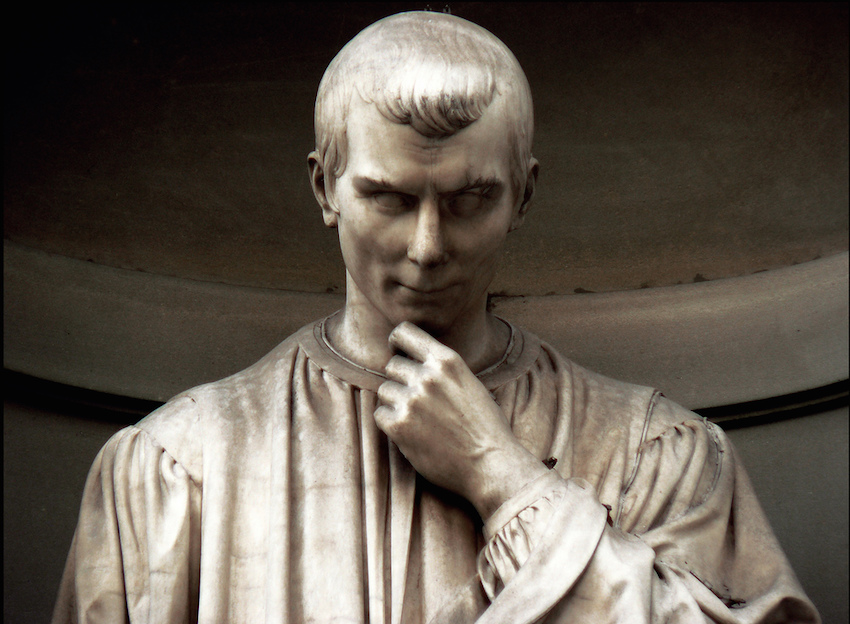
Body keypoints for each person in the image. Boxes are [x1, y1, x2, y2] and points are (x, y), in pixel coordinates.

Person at [52, 11, 820, 624]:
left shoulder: (656, 456)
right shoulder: (181, 465)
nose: (427, 247)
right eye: (387, 198)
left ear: (523, 195)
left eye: (468, 200)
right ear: (325, 189)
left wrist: (501, 477)